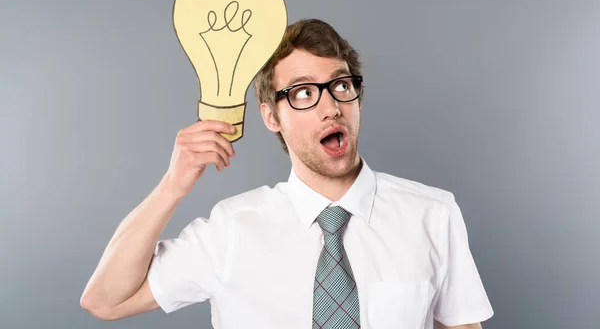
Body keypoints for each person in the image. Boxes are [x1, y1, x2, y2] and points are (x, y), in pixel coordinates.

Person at [80, 19, 494, 328]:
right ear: (271, 116)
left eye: (341, 85)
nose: (331, 106)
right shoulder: (232, 229)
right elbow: (105, 301)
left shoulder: (432, 213)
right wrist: (172, 187)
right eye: (303, 93)